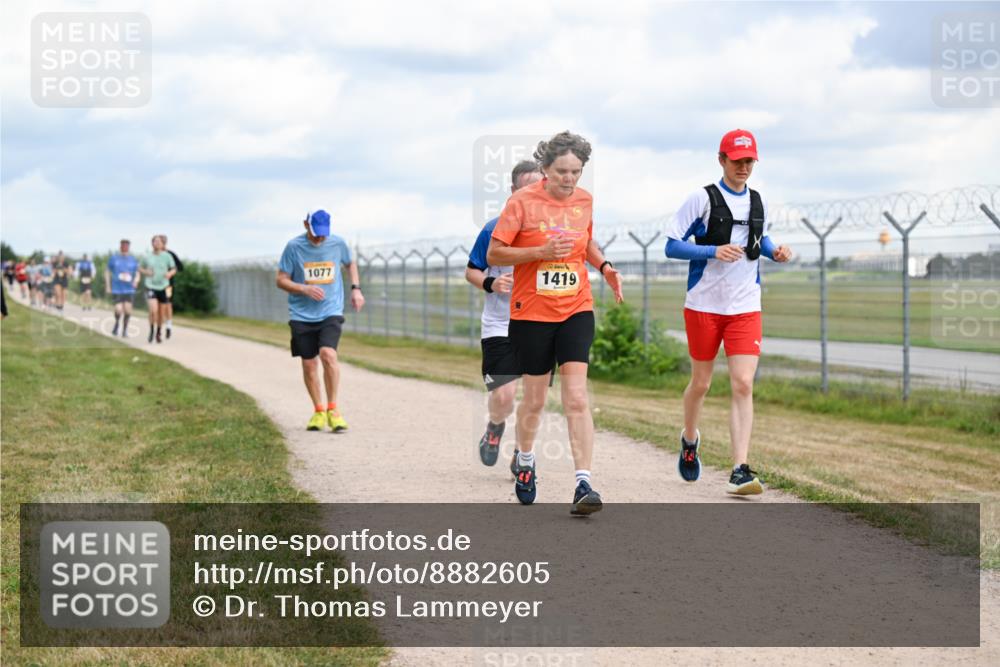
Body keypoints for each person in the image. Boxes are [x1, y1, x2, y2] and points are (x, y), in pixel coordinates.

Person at [487, 131, 623, 515]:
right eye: (562, 171)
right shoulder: (522, 202)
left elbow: (587, 244)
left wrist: (605, 267)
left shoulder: (585, 201)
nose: (569, 179)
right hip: (531, 313)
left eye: (576, 172)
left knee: (577, 398)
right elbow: (497, 250)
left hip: (576, 307)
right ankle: (526, 459)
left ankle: (583, 483)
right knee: (533, 400)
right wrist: (540, 251)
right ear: (545, 169)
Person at [665, 129, 793, 495]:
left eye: (749, 161)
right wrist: (711, 251)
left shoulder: (757, 200)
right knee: (701, 384)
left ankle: (740, 468)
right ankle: (690, 440)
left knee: (743, 382)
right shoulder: (701, 199)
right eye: (737, 160)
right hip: (704, 304)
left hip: (744, 306)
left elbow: (757, 239)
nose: (743, 167)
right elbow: (671, 247)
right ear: (721, 160)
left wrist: (774, 251)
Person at [466, 160, 542, 471]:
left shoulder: (550, 232)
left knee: (534, 399)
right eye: (525, 188)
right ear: (513, 192)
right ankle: (495, 427)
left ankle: (522, 454)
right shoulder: (493, 229)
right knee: (505, 396)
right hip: (500, 324)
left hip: (539, 323)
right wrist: (491, 283)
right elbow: (472, 270)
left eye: (537, 188)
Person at [276, 210, 365, 432]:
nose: (320, 239)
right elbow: (281, 279)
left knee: (328, 354)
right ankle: (318, 410)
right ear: (306, 225)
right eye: (316, 234)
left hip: (330, 310)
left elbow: (350, 264)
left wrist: (356, 289)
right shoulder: (293, 247)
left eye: (324, 234)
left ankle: (333, 409)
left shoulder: (337, 243)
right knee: (309, 363)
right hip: (301, 314)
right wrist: (303, 288)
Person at [139, 235, 177, 343]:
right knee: (153, 310)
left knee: (161, 313)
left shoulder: (167, 256)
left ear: (162, 244)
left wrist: (170, 273)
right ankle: (151, 330)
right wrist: (146, 272)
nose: (157, 243)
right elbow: (140, 267)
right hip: (151, 286)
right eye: (155, 241)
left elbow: (174, 268)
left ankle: (158, 332)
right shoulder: (147, 257)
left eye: (159, 242)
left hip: (164, 286)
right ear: (152, 244)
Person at [105, 239, 141, 337]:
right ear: (120, 246)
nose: (125, 247)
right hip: (117, 288)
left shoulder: (133, 260)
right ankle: (117, 324)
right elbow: (107, 271)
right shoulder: (114, 258)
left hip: (129, 289)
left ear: (129, 247)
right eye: (123, 245)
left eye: (127, 246)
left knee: (128, 310)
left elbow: (137, 273)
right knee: (118, 309)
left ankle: (124, 330)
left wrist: (136, 281)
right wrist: (108, 286)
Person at [160, 235, 184, 338]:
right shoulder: (153, 255)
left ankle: (168, 326)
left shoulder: (171, 254)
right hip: (155, 285)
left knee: (168, 304)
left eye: (163, 241)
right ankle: (158, 328)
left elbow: (180, 267)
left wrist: (170, 272)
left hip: (168, 286)